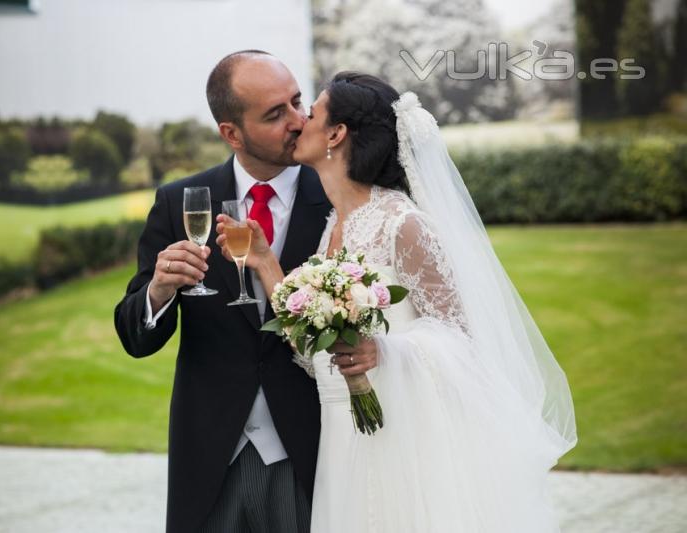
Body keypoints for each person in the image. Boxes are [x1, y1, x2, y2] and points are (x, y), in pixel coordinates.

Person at [216, 72, 578, 532]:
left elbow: (464, 344)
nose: (298, 121)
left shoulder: (402, 224)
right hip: (342, 445)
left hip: (403, 447)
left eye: (311, 113)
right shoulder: (332, 226)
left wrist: (388, 351)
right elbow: (315, 356)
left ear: (336, 134)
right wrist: (266, 263)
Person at [114, 51, 331, 533]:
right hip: (210, 458)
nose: (298, 121)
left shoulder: (337, 197)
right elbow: (135, 336)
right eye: (276, 114)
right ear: (231, 133)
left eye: (298, 102)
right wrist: (159, 290)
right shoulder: (180, 202)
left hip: (314, 454)